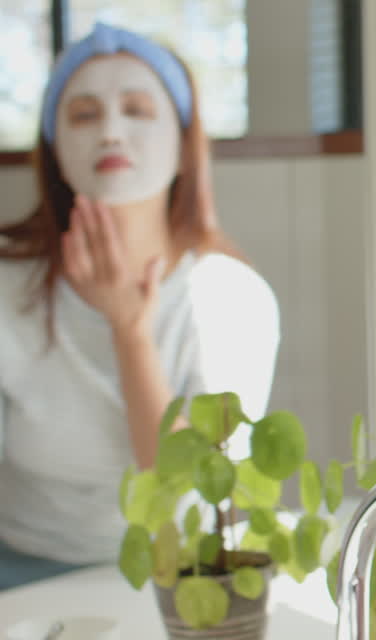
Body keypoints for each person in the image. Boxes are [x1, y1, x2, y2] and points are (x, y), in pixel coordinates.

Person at [0, 23, 279, 589]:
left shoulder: (229, 298)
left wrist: (130, 330)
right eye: (83, 114)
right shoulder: (9, 284)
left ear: (184, 147)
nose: (111, 131)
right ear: (53, 152)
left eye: (136, 109)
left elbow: (189, 488)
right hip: (22, 576)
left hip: (184, 580)